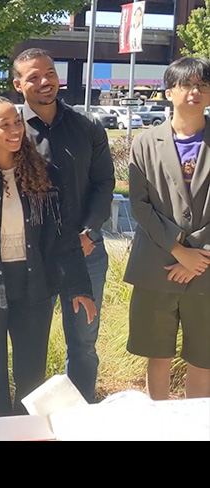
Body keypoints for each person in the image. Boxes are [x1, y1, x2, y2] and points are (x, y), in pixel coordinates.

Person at [0, 97, 96, 418]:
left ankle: (27, 436)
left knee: (31, 376)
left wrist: (79, 287)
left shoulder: (44, 173)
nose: (15, 129)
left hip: (35, 289)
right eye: (5, 124)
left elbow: (65, 235)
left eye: (17, 122)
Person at [13, 48, 114, 403]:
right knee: (31, 345)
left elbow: (103, 184)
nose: (45, 82)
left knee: (84, 343)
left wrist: (89, 232)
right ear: (18, 84)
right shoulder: (11, 131)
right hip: (32, 257)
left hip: (86, 251)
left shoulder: (87, 126)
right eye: (34, 77)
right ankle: (30, 420)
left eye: (50, 73)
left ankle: (80, 413)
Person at [125, 56, 210, 400]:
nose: (195, 91)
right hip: (157, 267)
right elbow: (140, 206)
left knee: (203, 361)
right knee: (157, 357)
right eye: (186, 84)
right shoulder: (146, 143)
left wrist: (199, 256)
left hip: (207, 269)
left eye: (202, 85)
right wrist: (178, 250)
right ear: (169, 91)